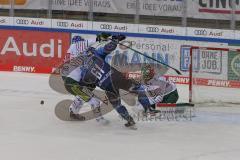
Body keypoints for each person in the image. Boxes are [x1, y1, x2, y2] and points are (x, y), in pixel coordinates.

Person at [63, 34, 139, 129]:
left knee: (111, 102)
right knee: (94, 100)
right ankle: (149, 99)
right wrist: (113, 40)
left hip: (101, 86)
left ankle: (129, 119)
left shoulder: (81, 67)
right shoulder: (90, 51)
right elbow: (106, 48)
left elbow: (86, 81)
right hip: (112, 77)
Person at [62, 34, 109, 124]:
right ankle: (100, 120)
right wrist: (100, 37)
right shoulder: (74, 46)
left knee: (84, 93)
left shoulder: (72, 53)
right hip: (73, 83)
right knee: (95, 101)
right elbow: (90, 44)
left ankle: (73, 112)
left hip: (71, 83)